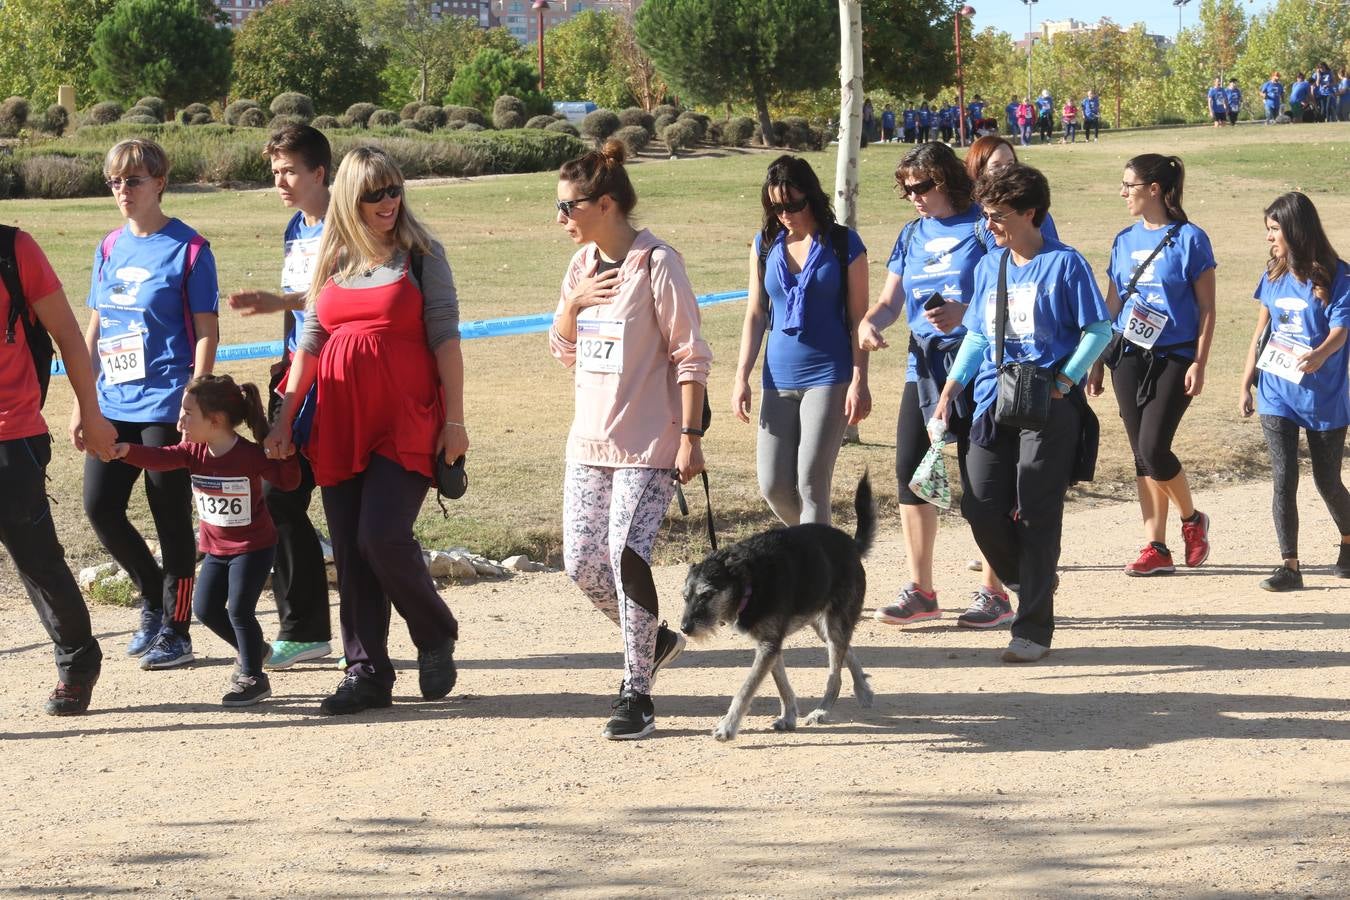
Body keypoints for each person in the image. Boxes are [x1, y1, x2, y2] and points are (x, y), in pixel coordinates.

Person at [266, 146, 466, 715]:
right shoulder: (330, 259)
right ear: (350, 199)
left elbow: (446, 342)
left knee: (381, 535)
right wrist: (284, 415)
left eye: (394, 189)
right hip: (340, 419)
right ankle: (367, 672)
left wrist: (455, 420)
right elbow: (309, 344)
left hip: (407, 417)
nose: (387, 202)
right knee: (352, 551)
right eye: (373, 193)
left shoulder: (421, 255)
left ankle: (433, 631)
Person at [549, 140, 712, 740]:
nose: (560, 218)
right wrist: (571, 306)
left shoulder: (658, 264)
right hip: (589, 441)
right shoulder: (580, 268)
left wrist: (691, 435)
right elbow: (563, 352)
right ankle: (656, 639)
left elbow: (691, 354)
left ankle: (635, 691)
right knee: (581, 564)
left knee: (624, 556)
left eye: (570, 206)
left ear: (607, 204)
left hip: (649, 442)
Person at [932, 163, 1111, 663]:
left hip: (1048, 403)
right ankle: (1028, 578)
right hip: (993, 399)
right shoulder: (990, 265)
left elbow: (1099, 330)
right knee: (980, 506)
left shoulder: (1065, 264)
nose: (988, 225)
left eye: (998, 215)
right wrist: (951, 386)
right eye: (986, 215)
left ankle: (1031, 627)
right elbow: (976, 335)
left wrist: (1064, 380)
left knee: (1035, 508)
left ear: (1030, 212)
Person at [857, 142, 1012, 630]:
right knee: (909, 468)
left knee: (983, 479)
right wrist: (869, 322)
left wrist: (966, 314)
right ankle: (922, 590)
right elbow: (889, 300)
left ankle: (995, 589)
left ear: (946, 180)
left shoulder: (981, 227)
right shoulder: (911, 234)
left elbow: (1008, 288)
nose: (914, 197)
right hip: (922, 368)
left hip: (978, 366)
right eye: (906, 190)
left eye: (922, 187)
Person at [79, 138, 219, 671]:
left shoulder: (190, 249)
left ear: (160, 183)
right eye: (115, 181)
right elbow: (96, 327)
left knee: (170, 519)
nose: (122, 190)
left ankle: (178, 631)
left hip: (167, 405)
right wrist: (83, 404)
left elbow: (207, 331)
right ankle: (152, 601)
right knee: (100, 507)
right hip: (113, 402)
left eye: (133, 180)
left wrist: (194, 396)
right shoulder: (109, 247)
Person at [112, 375, 300, 706]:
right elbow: (162, 457)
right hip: (215, 549)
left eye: (187, 413)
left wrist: (286, 453)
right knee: (205, 609)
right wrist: (126, 451)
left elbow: (288, 482)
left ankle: (253, 677)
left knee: (240, 610)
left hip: (252, 548)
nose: (179, 421)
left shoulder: (248, 456)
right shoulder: (193, 450)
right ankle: (254, 651)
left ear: (215, 421)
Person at [226, 124, 333, 670]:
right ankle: (305, 630)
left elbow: (334, 296)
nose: (281, 182)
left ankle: (382, 636)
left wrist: (280, 300)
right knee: (281, 498)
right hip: (292, 379)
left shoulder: (348, 222)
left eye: (290, 171)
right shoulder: (295, 225)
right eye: (275, 173)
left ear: (319, 171)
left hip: (340, 383)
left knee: (346, 507)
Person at [1, 226, 117, 714]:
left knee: (37, 560)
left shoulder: (14, 250)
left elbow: (68, 336)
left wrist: (90, 412)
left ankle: (77, 662)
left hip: (12, 436)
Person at [1088, 155, 1216, 577]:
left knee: (1153, 447)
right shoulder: (1123, 240)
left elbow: (1207, 309)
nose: (1123, 192)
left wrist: (1199, 361)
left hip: (1175, 354)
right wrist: (1094, 359)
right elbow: (1112, 303)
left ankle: (1192, 520)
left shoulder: (1191, 239)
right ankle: (1156, 546)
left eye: (1130, 185)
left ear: (1155, 189)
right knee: (1140, 455)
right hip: (1126, 352)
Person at [733, 156, 869, 530]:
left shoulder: (843, 244)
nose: (786, 214)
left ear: (812, 196)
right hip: (777, 379)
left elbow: (860, 319)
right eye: (776, 206)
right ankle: (824, 548)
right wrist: (741, 376)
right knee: (774, 485)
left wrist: (860, 380)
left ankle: (819, 575)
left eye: (793, 204)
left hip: (829, 376)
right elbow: (756, 313)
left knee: (811, 483)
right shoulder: (765, 245)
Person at [1238, 192, 1350, 592]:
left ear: (1295, 231)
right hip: (1276, 392)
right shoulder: (1272, 275)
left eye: (1274, 230)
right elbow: (1261, 332)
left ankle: (1349, 540)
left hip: (1323, 396)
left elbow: (1341, 331)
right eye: (1267, 230)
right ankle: (1290, 565)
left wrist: (1320, 354)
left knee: (1327, 481)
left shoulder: (1339, 276)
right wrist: (1246, 382)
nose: (1269, 238)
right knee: (1284, 478)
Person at [965, 135, 1061, 242]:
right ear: (978, 170)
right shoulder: (965, 213)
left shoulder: (1030, 211)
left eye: (1010, 164)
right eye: (996, 166)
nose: (1006, 171)